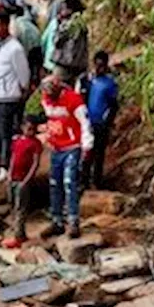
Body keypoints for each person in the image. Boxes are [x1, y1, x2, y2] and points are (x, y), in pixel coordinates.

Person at [40, 75, 94, 238]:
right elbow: (50, 117)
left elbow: (85, 123)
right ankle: (56, 220)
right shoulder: (46, 99)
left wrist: (87, 145)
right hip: (56, 146)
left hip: (73, 146)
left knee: (70, 183)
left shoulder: (73, 100)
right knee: (54, 183)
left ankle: (73, 221)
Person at [0, 11, 32, 176]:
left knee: (6, 133)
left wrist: (21, 90)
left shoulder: (15, 49)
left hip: (8, 98)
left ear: (6, 26)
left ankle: (6, 166)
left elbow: (23, 74)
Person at [0, 116, 46, 249]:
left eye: (32, 129)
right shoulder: (18, 140)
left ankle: (18, 236)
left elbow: (35, 163)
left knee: (21, 208)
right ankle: (19, 231)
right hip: (13, 177)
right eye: (27, 128)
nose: (29, 131)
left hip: (23, 179)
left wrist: (27, 180)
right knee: (12, 204)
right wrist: (9, 173)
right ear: (22, 127)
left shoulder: (35, 143)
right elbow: (14, 157)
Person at [80, 50, 119, 188]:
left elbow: (113, 105)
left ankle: (97, 181)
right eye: (97, 65)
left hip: (101, 123)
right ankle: (83, 181)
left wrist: (107, 122)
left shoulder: (109, 84)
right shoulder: (87, 80)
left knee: (99, 154)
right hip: (87, 122)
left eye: (101, 66)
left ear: (106, 66)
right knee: (86, 152)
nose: (98, 68)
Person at [52, 0, 90, 87]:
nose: (60, 11)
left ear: (70, 10)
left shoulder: (69, 25)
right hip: (78, 66)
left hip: (64, 66)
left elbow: (56, 41)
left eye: (63, 8)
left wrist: (59, 23)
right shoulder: (81, 23)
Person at [10, 3, 43, 80]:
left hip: (30, 50)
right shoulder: (29, 22)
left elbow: (25, 43)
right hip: (37, 49)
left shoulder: (18, 24)